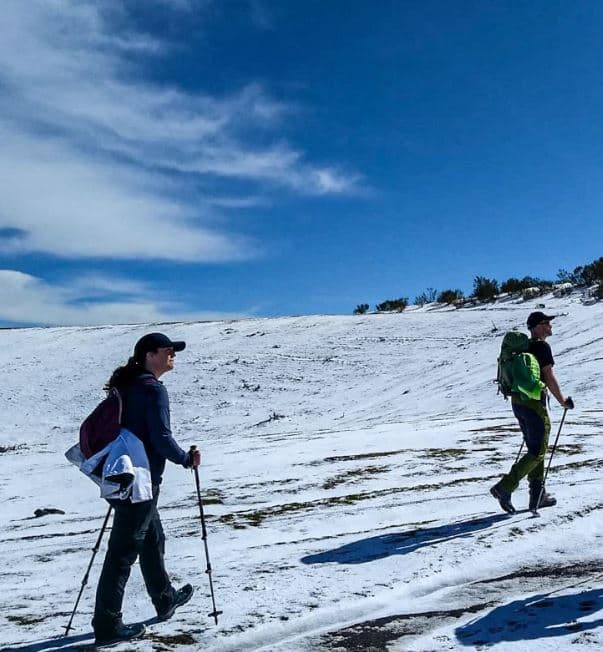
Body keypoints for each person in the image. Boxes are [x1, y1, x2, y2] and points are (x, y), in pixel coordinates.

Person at [91, 332, 201, 646]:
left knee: (153, 539)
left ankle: (164, 599)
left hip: (123, 478)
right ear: (150, 355)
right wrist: (186, 459)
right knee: (122, 554)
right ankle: (107, 625)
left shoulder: (126, 386)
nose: (173, 355)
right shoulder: (153, 391)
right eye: (168, 350)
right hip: (140, 481)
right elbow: (161, 439)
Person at [490, 312, 574, 513]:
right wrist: (562, 401)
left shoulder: (524, 347)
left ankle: (537, 496)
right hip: (534, 403)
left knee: (536, 449)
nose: (550, 326)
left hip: (518, 402)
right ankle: (505, 487)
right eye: (546, 323)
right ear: (536, 326)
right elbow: (549, 376)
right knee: (538, 451)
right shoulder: (541, 347)